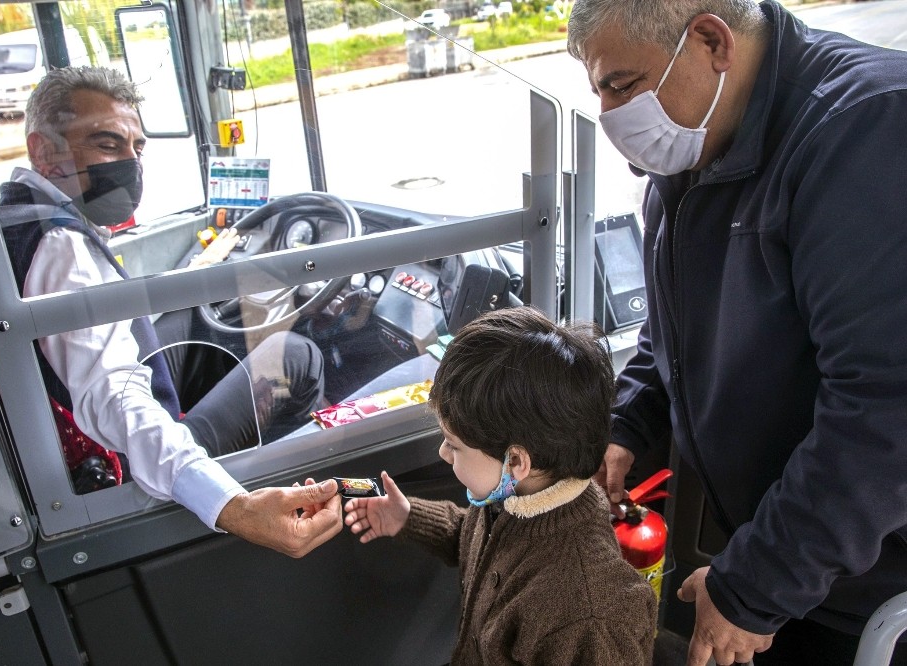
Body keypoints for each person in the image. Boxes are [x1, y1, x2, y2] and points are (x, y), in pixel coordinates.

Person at [566, 1, 907, 664]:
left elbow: (887, 405)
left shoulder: (867, 131)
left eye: (622, 85)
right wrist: (625, 428)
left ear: (710, 40)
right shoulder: (696, 139)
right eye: (599, 91)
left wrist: (759, 584)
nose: (610, 116)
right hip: (780, 552)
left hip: (867, 585)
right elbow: (677, 332)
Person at [0, 65, 341, 557]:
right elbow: (110, 394)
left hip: (57, 420)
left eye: (137, 149)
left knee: (198, 322)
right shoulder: (62, 246)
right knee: (295, 354)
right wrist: (232, 506)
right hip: (120, 463)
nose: (130, 164)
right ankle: (286, 494)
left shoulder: (14, 216)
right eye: (107, 144)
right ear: (43, 150)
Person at [343, 306, 657, 664]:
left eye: (454, 444)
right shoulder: (516, 498)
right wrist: (408, 516)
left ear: (516, 461)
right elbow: (481, 543)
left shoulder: (588, 613)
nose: (443, 453)